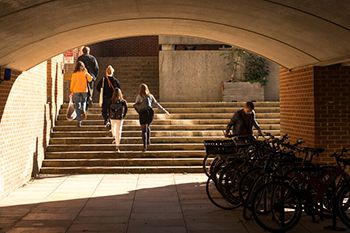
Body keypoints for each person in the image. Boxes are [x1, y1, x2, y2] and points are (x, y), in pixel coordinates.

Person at [134, 84, 169, 152]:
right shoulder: (150, 96)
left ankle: (144, 146)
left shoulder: (139, 96)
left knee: (143, 130)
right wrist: (164, 110)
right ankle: (148, 140)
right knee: (148, 126)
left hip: (143, 113)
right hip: (150, 113)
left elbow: (136, 105)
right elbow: (156, 104)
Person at [70, 61, 93, 127]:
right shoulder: (84, 73)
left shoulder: (74, 74)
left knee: (77, 105)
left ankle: (79, 121)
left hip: (76, 90)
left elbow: (72, 83)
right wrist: (86, 72)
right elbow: (90, 79)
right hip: (84, 90)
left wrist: (71, 90)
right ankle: (83, 109)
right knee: (84, 102)